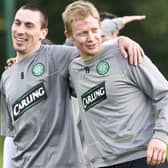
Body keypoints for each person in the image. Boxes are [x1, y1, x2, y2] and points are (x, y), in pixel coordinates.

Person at [0, 3, 144, 168]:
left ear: (43, 33)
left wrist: (119, 41)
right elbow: (12, 137)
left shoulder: (57, 56)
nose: (20, 30)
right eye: (17, 23)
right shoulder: (7, 77)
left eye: (29, 25)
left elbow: (91, 46)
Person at [63, 1, 168, 168]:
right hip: (102, 164)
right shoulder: (73, 70)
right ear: (69, 35)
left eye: (95, 30)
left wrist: (161, 136)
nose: (91, 38)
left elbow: (164, 95)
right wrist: (18, 62)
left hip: (144, 157)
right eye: (83, 33)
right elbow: (47, 56)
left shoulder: (127, 54)